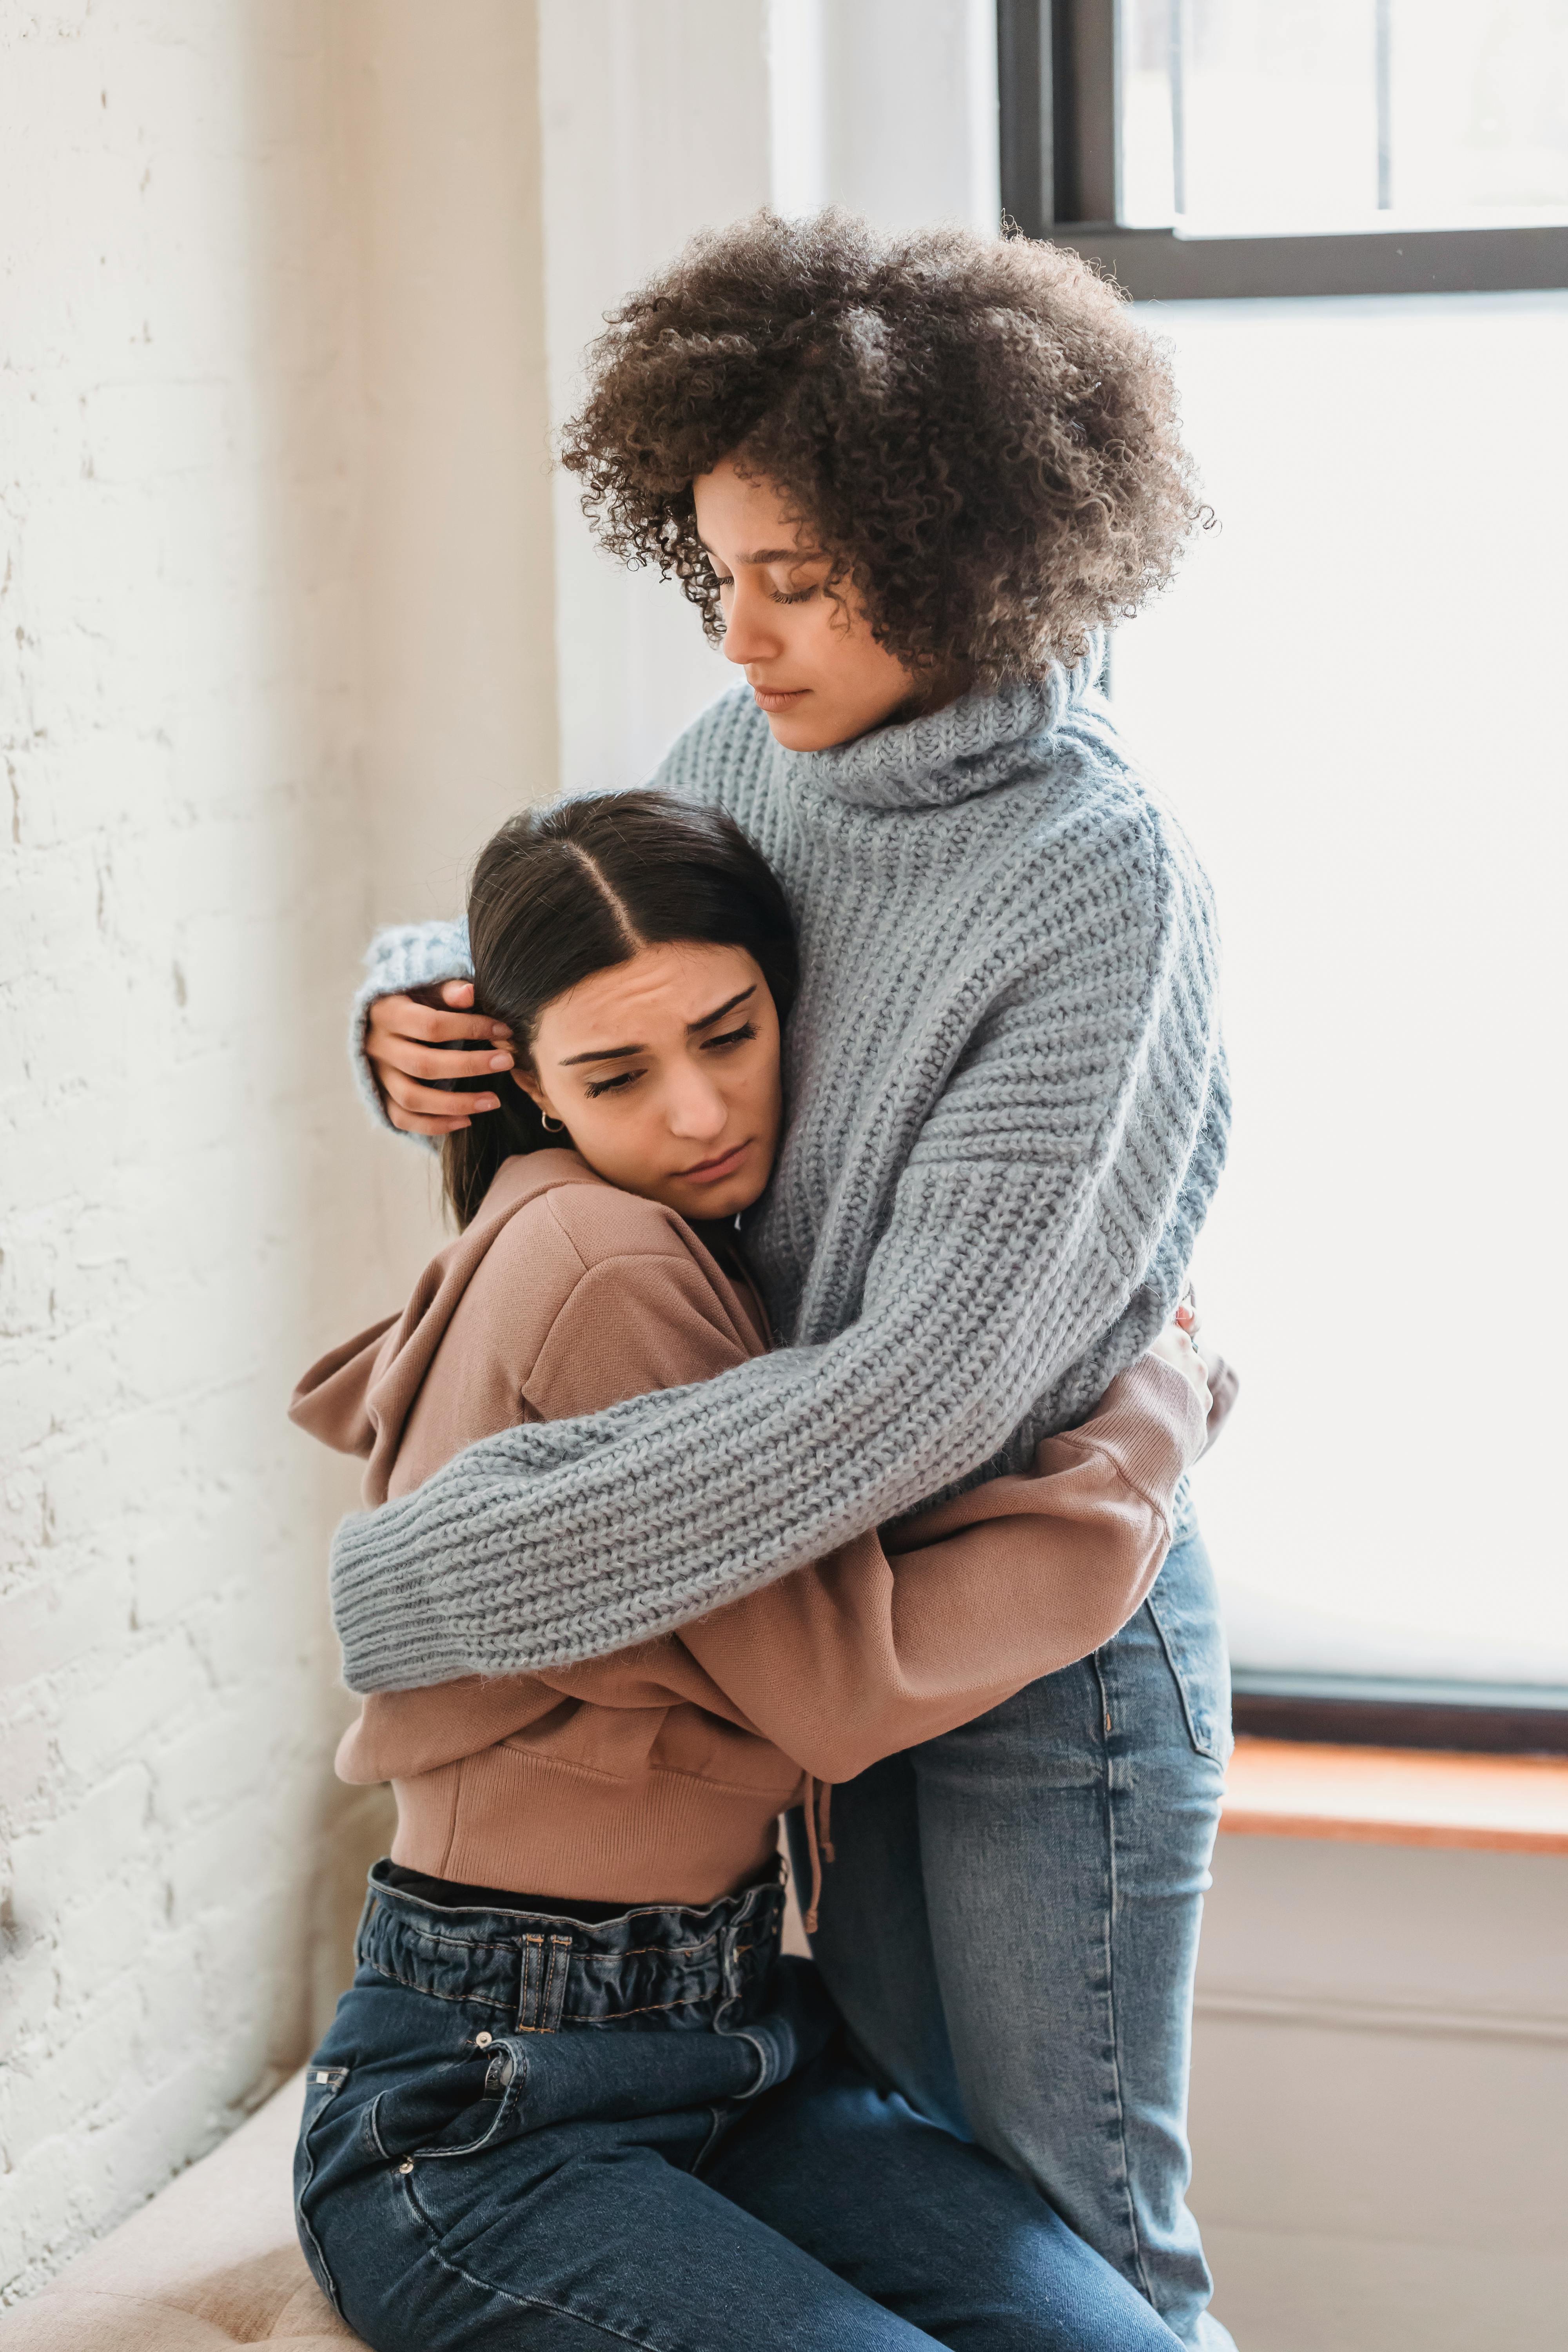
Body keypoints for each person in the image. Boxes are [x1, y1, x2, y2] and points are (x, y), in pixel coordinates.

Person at [330, 213, 1234, 2346]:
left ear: (965, 550)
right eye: (716, 568)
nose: (740, 635)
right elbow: (622, 982)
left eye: (798, 581)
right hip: (799, 1589)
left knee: (1086, 2222)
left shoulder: (1097, 873)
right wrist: (425, 1027)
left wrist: (449, 1574)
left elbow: (913, 1388)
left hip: (1029, 1634)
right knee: (923, 2149)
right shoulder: (762, 749)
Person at [290, 791, 1212, 2352]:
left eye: (731, 1033)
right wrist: (1156, 1416)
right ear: (523, 1077)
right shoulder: (608, 1263)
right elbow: (849, 1683)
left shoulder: (666, 1236)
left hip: (738, 2045)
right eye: (617, 1075)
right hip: (488, 2106)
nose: (703, 1113)